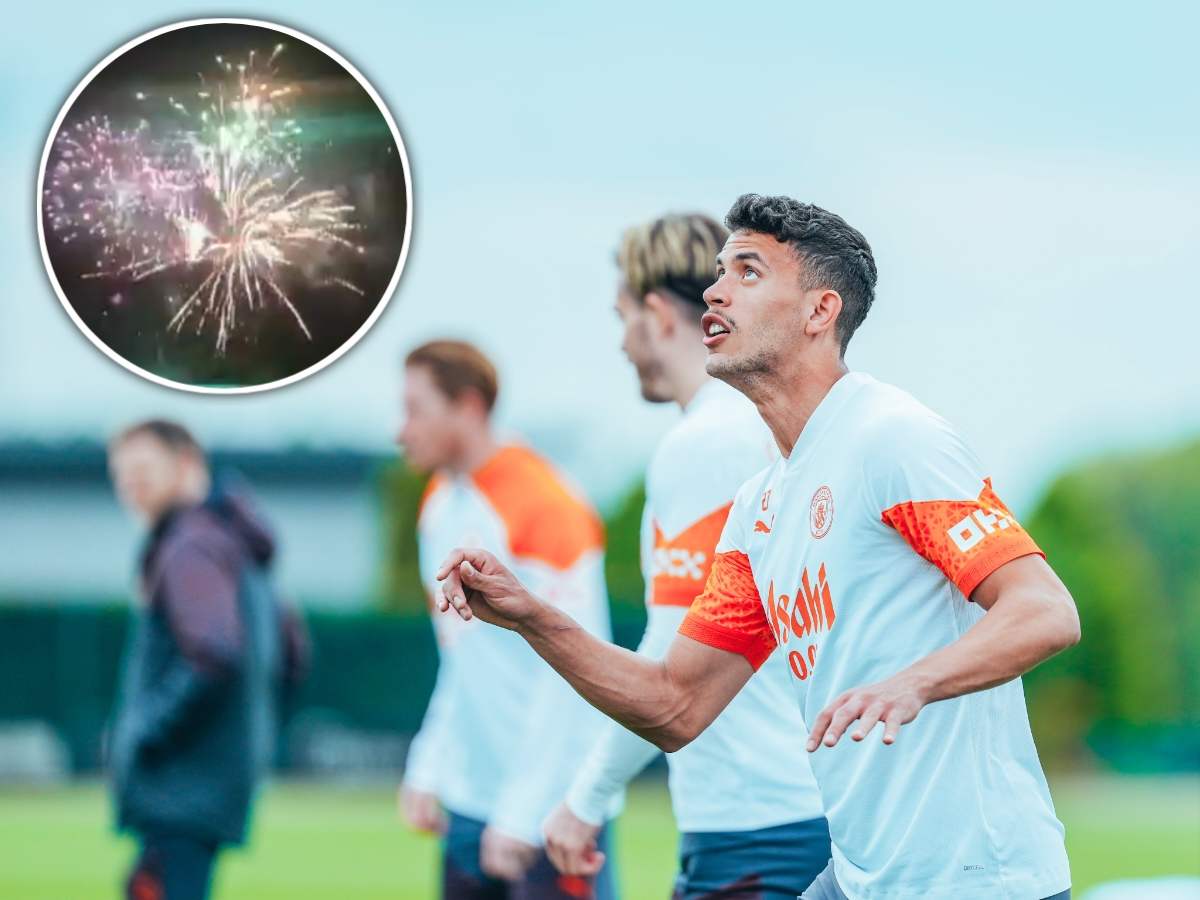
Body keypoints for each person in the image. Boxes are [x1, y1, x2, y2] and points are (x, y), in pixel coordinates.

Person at [434, 195, 1081, 900]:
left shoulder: (893, 439)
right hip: (861, 879)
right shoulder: (761, 506)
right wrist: (531, 616)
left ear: (818, 312)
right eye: (717, 272)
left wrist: (913, 681)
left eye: (747, 271)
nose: (714, 290)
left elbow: (1045, 611)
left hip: (978, 884)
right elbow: (675, 705)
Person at [541, 213, 830, 898]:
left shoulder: (707, 442)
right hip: (806, 813)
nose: (620, 343)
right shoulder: (777, 425)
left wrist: (587, 798)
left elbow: (671, 657)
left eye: (621, 316)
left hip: (754, 828)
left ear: (653, 312)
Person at [396, 340, 616, 900]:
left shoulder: (547, 504)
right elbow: (459, 655)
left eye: (416, 410)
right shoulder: (439, 505)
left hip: (551, 812)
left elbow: (576, 674)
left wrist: (523, 813)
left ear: (468, 406)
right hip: (470, 807)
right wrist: (427, 765)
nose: (402, 431)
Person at [107, 419, 308, 900]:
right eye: (120, 474)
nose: (129, 486)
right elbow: (294, 654)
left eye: (141, 470)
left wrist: (144, 730)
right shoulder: (233, 541)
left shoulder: (191, 545)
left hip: (180, 787)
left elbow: (215, 653)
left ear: (186, 465)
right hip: (208, 783)